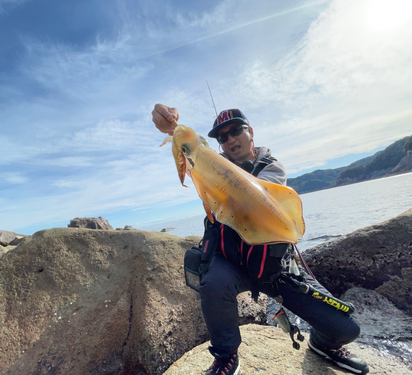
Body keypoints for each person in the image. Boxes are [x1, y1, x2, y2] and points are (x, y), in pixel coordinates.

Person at [152, 104, 370, 375]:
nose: (230, 139)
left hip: (275, 269)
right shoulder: (210, 167)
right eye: (223, 137)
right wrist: (175, 130)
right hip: (232, 262)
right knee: (213, 283)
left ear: (251, 133)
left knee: (346, 328)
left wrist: (199, 152)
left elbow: (247, 196)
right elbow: (196, 150)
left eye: (236, 131)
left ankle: (324, 343)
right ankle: (226, 356)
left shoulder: (272, 169)